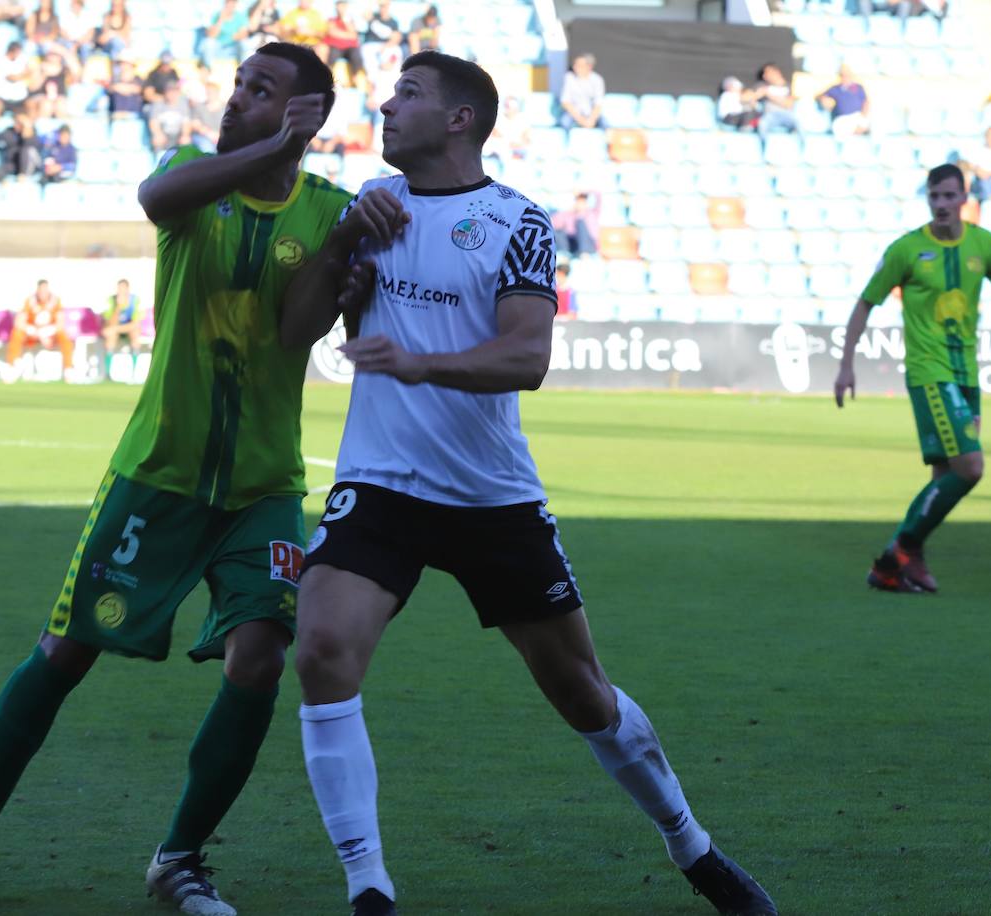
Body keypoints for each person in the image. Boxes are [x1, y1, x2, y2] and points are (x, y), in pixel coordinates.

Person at [278, 49, 779, 916]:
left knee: (579, 689)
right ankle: (367, 888)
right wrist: (343, 246)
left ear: (460, 119)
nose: (386, 107)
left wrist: (419, 362)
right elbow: (296, 330)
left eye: (408, 94)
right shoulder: (374, 208)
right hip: (381, 483)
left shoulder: (516, 221)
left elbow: (527, 355)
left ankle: (691, 846)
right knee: (321, 652)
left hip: (488, 494)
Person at [0, 41, 355, 916]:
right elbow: (155, 200)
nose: (236, 99)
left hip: (264, 484)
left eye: (260, 91)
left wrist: (349, 255)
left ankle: (180, 860)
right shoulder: (194, 173)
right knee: (67, 652)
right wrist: (268, 150)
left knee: (261, 658)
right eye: (236, 84)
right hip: (157, 473)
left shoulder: (328, 213)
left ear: (307, 113)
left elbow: (293, 336)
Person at [834, 162, 991, 594]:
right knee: (970, 467)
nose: (941, 204)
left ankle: (907, 564)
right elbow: (865, 303)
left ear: (964, 199)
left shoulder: (984, 244)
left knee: (944, 478)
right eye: (934, 196)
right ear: (928, 198)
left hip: (967, 374)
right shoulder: (906, 249)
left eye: (949, 196)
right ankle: (893, 557)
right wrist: (847, 365)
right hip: (929, 374)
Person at [6, 278, 74, 376]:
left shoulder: (56, 301)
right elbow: (19, 322)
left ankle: (68, 369)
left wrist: (46, 333)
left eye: (45, 290)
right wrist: (35, 332)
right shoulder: (30, 301)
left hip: (50, 334)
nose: (43, 293)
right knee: (16, 333)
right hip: (32, 333)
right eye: (41, 291)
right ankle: (12, 367)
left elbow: (60, 323)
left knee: (64, 336)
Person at [100, 277, 143, 375]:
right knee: (110, 337)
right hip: (115, 329)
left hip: (127, 328)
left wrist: (115, 329)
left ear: (128, 289)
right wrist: (118, 307)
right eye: (119, 289)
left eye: (123, 289)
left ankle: (134, 373)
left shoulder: (135, 300)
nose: (121, 292)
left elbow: (135, 323)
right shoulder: (111, 300)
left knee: (135, 334)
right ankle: (108, 373)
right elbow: (110, 323)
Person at [818, 63, 869, 138]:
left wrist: (863, 117)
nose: (845, 77)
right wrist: (823, 99)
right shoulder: (835, 88)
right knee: (838, 127)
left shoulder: (858, 87)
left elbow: (866, 103)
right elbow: (820, 96)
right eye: (842, 75)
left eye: (847, 74)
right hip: (842, 119)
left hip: (857, 117)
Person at [559, 52, 604, 130]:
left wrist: (591, 120)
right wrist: (581, 120)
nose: (575, 67)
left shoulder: (597, 79)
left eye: (579, 65)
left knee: (606, 124)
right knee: (564, 122)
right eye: (575, 65)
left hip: (591, 115)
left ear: (589, 67)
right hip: (573, 115)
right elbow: (565, 102)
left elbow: (598, 103)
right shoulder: (569, 78)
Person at [149, 81, 194, 153]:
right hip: (163, 134)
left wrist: (185, 135)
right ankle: (159, 161)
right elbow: (153, 122)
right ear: (165, 93)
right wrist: (158, 133)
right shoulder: (158, 104)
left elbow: (186, 123)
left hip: (177, 135)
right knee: (157, 140)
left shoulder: (183, 104)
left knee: (186, 141)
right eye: (170, 92)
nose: (172, 94)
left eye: (174, 91)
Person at [754, 63, 798, 134]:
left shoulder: (788, 87)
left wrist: (768, 94)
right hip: (770, 116)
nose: (764, 76)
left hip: (786, 115)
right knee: (762, 124)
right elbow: (753, 97)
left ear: (776, 72)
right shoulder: (762, 86)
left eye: (767, 73)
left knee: (798, 123)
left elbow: (789, 104)